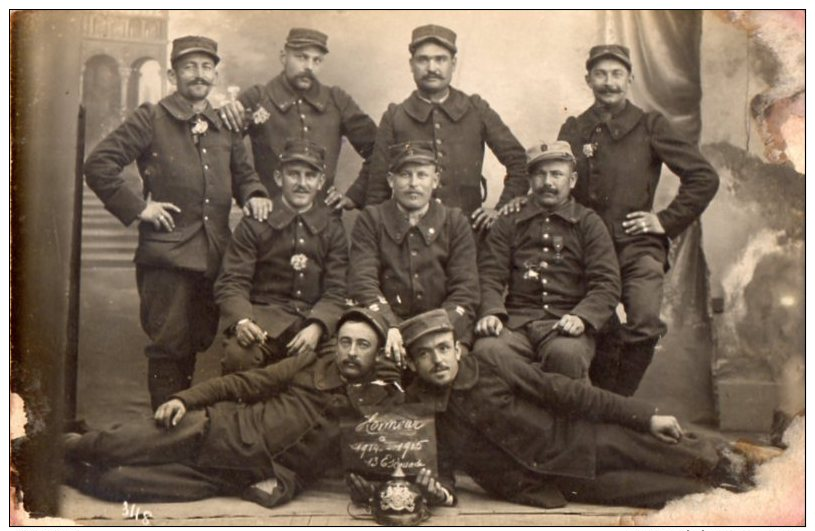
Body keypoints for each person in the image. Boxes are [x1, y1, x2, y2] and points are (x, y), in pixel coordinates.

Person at [401, 309, 776, 509]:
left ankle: (771, 477)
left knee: (697, 458)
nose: (436, 360)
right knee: (677, 493)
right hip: (559, 486)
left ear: (456, 348)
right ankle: (747, 498)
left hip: (587, 440)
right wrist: (441, 493)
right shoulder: (422, 413)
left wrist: (645, 416)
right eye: (423, 354)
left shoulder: (491, 363)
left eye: (442, 348)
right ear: (412, 364)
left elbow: (565, 392)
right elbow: (441, 471)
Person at [83, 35, 273, 410]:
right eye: (189, 67)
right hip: (166, 257)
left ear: (215, 75)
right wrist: (139, 208)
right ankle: (164, 439)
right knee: (169, 346)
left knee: (200, 341)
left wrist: (255, 194)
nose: (199, 75)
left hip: (215, 254)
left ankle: (183, 430)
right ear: (173, 74)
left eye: (206, 67)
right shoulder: (151, 118)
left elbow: (245, 175)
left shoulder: (224, 125)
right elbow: (98, 164)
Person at [62, 308, 403, 508]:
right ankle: (52, 445)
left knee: (116, 485)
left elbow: (323, 463)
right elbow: (241, 383)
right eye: (345, 342)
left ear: (377, 353)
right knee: (109, 445)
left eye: (363, 345)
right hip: (211, 429)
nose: (352, 352)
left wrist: (286, 486)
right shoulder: (308, 364)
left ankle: (55, 470)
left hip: (226, 476)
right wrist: (184, 399)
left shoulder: (374, 404)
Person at [557, 44, 720, 395]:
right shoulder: (574, 128)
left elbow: (704, 177)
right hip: (586, 248)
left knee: (645, 321)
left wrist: (665, 220)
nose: (609, 82)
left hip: (637, 246)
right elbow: (556, 186)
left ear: (629, 79)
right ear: (588, 79)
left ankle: (618, 402)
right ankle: (603, 406)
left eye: (617, 74)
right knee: (595, 323)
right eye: (600, 74)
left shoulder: (650, 125)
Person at [349, 24, 528, 231]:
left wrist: (501, 209)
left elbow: (519, 162)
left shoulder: (476, 109)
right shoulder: (394, 117)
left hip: (469, 236)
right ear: (411, 64)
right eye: (423, 60)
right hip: (409, 239)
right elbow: (377, 190)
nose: (432, 68)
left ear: (453, 63)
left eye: (440, 59)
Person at [475, 141, 620, 379]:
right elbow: (489, 275)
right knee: (487, 351)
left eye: (556, 174)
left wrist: (582, 317)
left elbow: (607, 283)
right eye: (540, 174)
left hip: (566, 322)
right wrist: (492, 312)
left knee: (566, 355)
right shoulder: (509, 221)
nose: (548, 183)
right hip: (516, 323)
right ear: (530, 180)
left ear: (572, 181)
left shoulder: (588, 223)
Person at [214, 139, 348, 373]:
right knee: (239, 356)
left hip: (312, 322)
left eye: (309, 176)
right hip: (263, 323)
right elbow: (232, 281)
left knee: (341, 366)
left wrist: (317, 325)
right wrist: (242, 320)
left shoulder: (332, 228)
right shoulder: (256, 223)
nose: (302, 183)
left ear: (320, 182)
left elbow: (337, 289)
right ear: (278, 178)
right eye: (293, 175)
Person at [348, 141, 479, 368]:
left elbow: (465, 290)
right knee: (379, 373)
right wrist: (389, 326)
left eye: (422, 175)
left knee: (451, 374)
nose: (413, 184)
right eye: (405, 175)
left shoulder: (455, 222)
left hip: (443, 328)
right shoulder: (371, 219)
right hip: (386, 328)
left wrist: (433, 331)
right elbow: (363, 281)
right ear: (391, 180)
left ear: (435, 180)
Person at [219, 27, 377, 211]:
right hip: (269, 218)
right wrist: (251, 192)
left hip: (323, 223)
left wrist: (355, 195)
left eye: (316, 60)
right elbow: (222, 149)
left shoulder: (337, 100)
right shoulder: (258, 98)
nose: (309, 66)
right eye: (302, 57)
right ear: (283, 57)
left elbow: (379, 150)